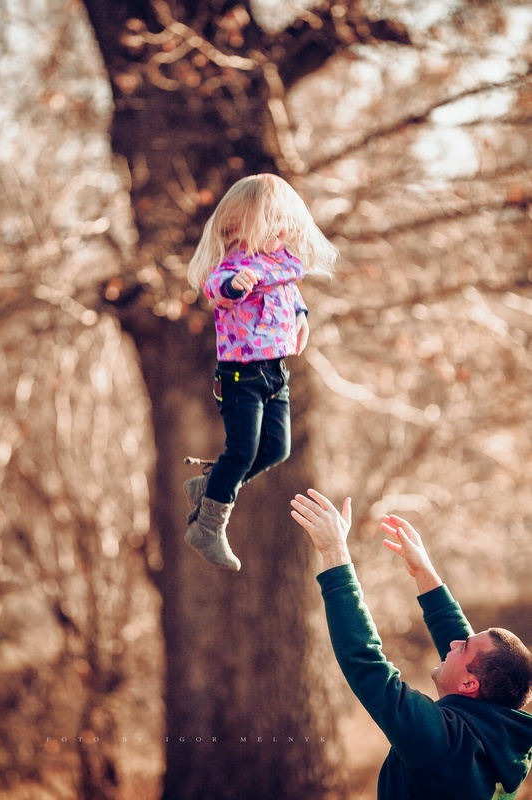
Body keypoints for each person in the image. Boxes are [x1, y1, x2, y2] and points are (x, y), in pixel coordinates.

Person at [290, 488, 532, 799]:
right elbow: (465, 647)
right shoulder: (500, 738)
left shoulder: (442, 746)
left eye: (463, 648)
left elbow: (365, 662)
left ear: (471, 684)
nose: (454, 642)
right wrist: (424, 572)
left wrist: (335, 553)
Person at [184, 174, 338, 571]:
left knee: (276, 448)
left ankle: (211, 486)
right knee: (242, 450)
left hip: (274, 373)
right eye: (270, 223)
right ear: (240, 225)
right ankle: (208, 527)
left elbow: (291, 297)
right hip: (241, 376)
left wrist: (301, 319)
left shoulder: (280, 264)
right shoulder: (233, 266)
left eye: (283, 222)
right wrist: (236, 286)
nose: (281, 231)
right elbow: (216, 289)